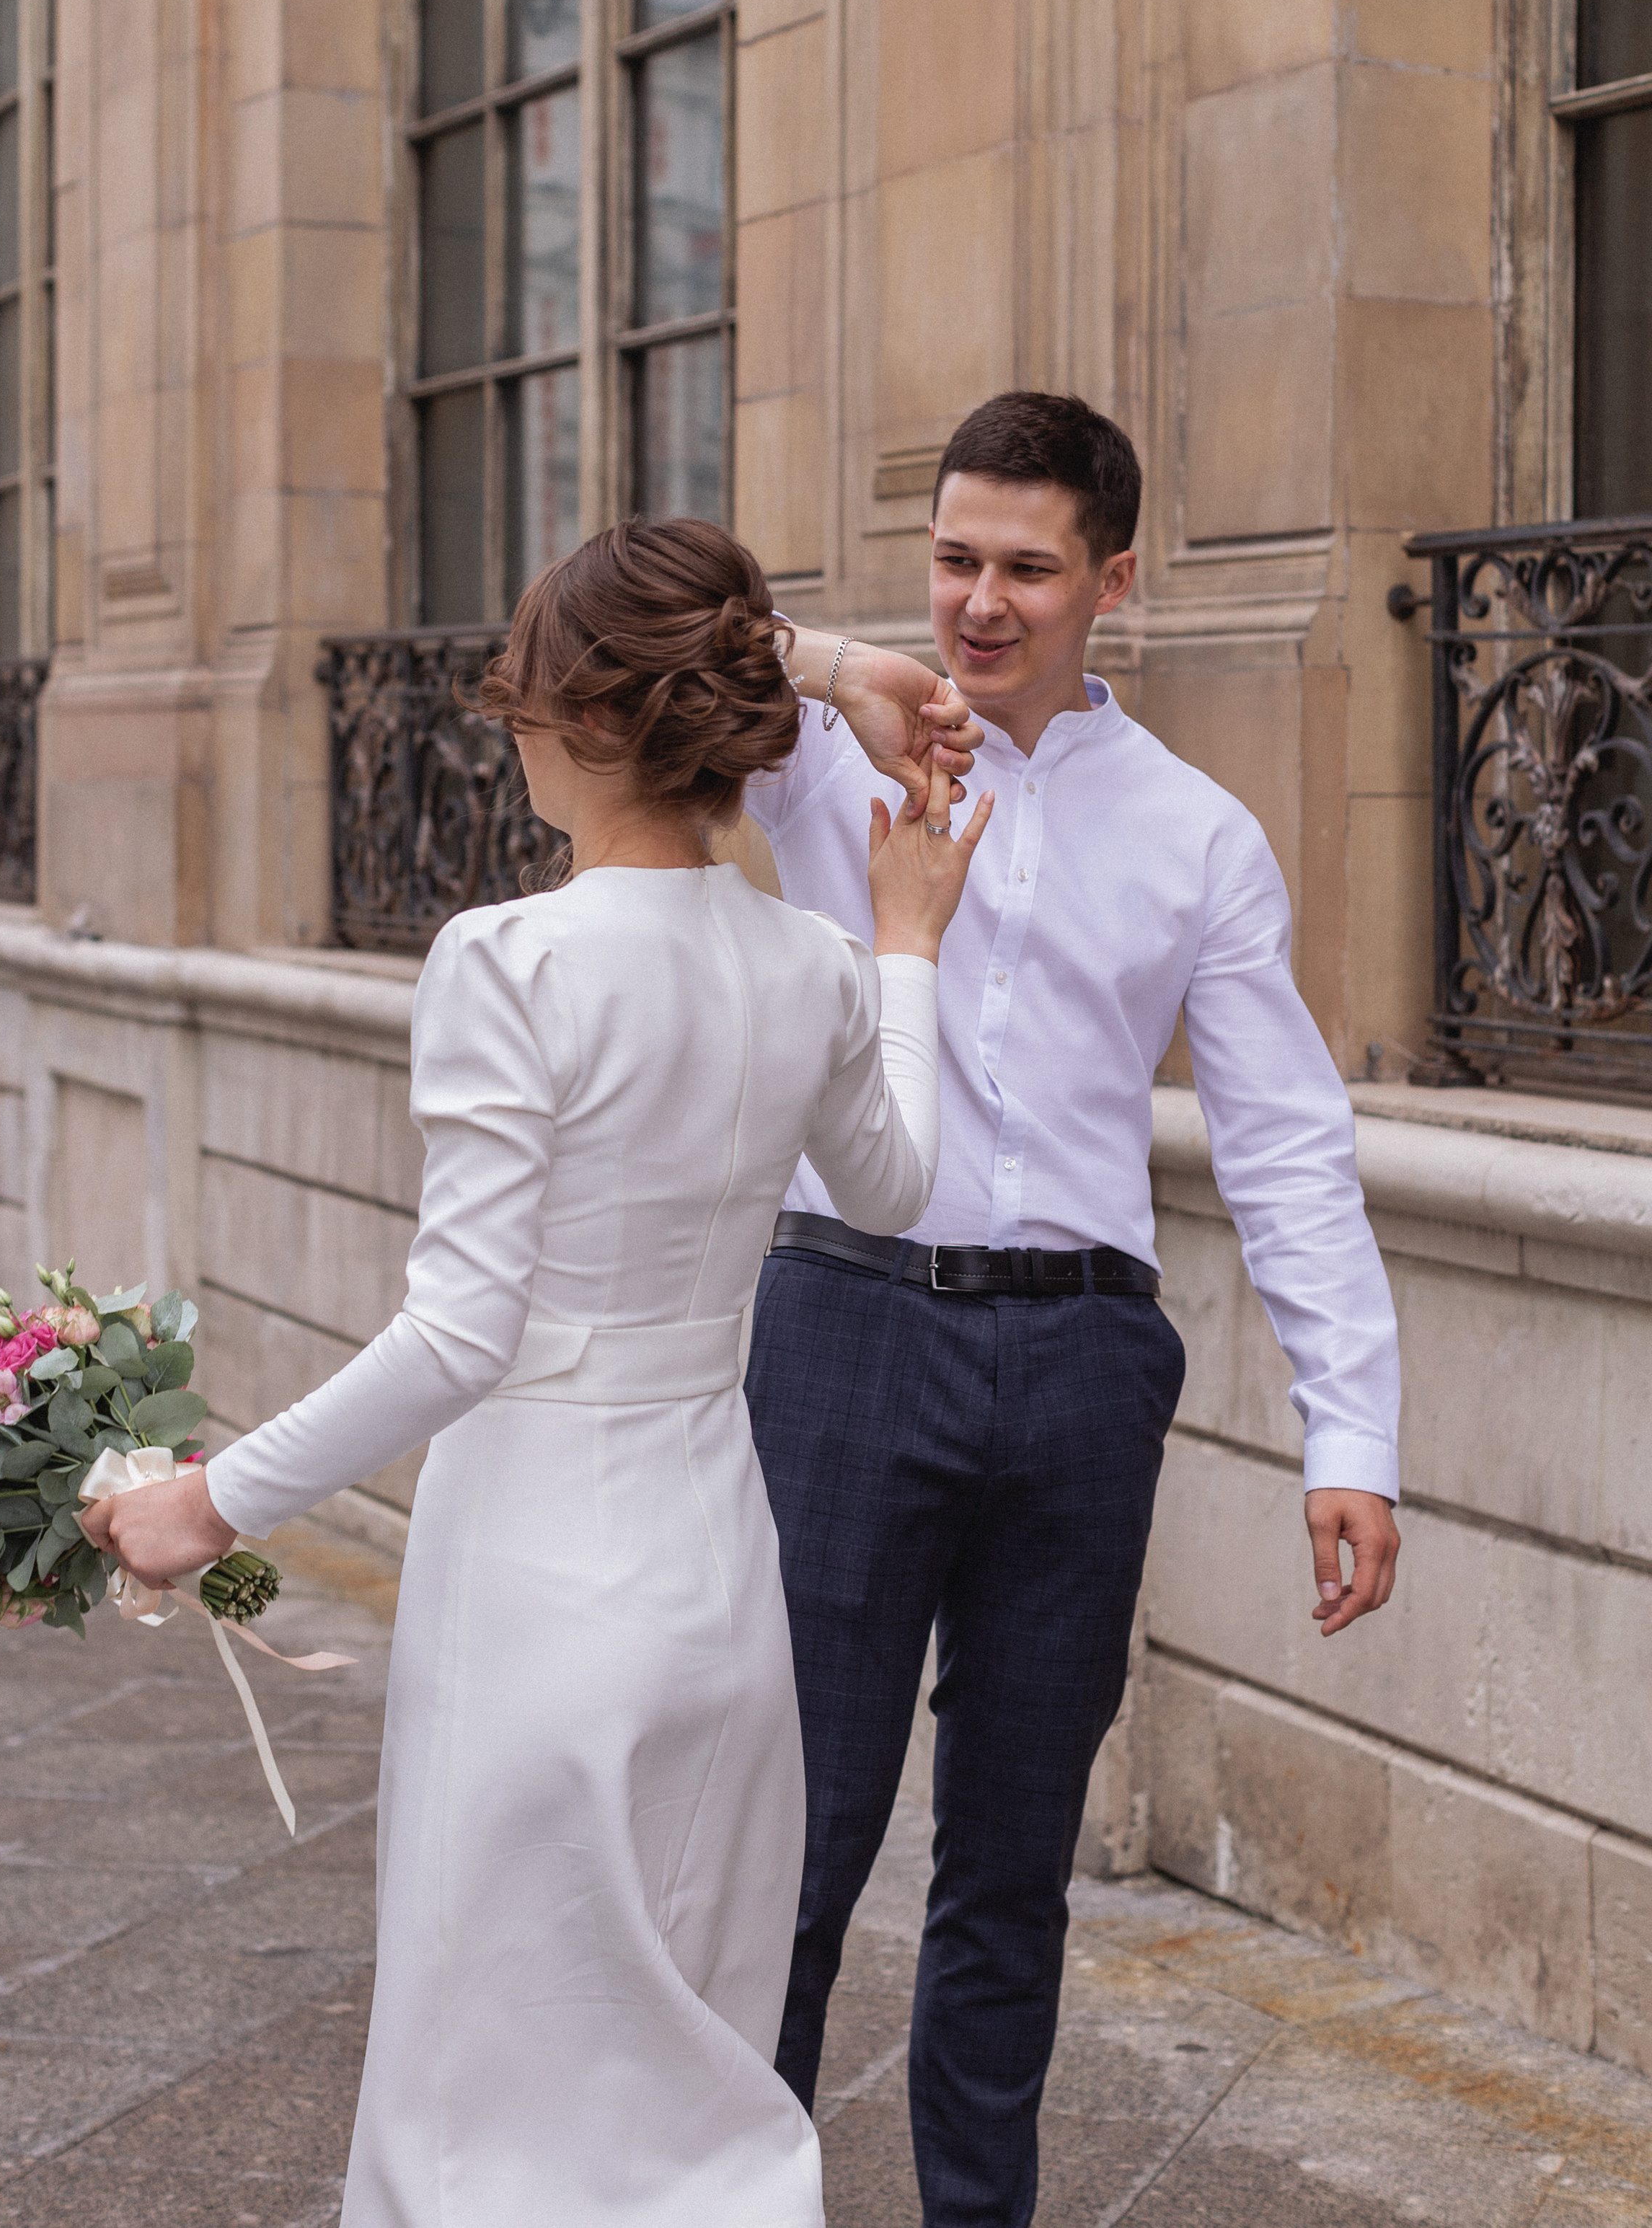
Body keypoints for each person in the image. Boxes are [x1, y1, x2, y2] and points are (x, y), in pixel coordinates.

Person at [80, 516, 993, 2228]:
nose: (506, 732)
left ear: (580, 719)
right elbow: (895, 1188)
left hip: (536, 1582)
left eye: (519, 698)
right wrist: (908, 942)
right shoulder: (809, 962)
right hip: (720, 1574)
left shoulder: (508, 959)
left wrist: (200, 1500)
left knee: (479, 2083)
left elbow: (458, 1331)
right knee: (693, 2091)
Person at [741, 391, 1403, 2228]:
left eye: (1026, 567)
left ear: (1113, 576)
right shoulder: (811, 756)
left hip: (1082, 1364)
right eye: (953, 558)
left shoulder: (1196, 833)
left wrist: (1348, 1436)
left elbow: (1282, 1143)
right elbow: (603, 623)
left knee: (1011, 1867)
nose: (978, 600)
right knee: (786, 1845)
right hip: (845, 1329)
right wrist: (828, 660)